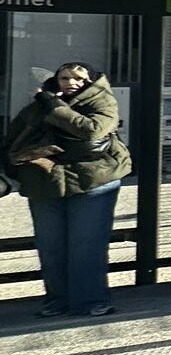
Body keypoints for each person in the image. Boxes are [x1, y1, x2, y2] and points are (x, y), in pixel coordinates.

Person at [3, 63, 132, 318]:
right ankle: (56, 300)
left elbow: (90, 131)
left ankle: (91, 301)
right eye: (64, 78)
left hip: (93, 182)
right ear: (55, 80)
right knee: (51, 246)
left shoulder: (103, 103)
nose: (71, 82)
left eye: (78, 78)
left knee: (87, 245)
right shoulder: (37, 107)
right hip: (44, 183)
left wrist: (53, 105)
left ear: (92, 81)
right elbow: (13, 139)